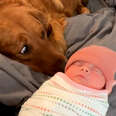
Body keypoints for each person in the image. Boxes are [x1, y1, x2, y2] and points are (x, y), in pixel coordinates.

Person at [18, 45, 116, 116]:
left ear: (106, 84)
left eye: (97, 71)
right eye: (78, 64)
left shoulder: (97, 102)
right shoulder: (56, 82)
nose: (85, 69)